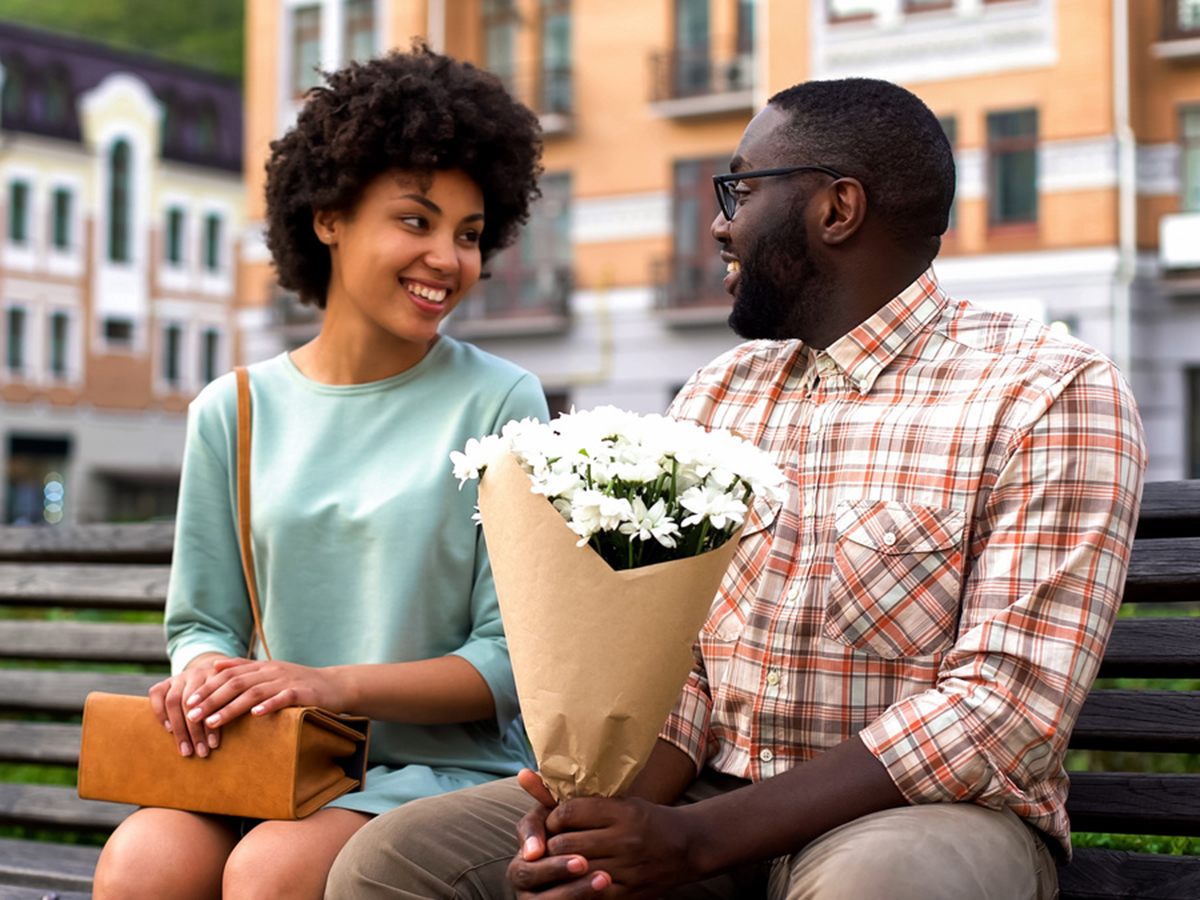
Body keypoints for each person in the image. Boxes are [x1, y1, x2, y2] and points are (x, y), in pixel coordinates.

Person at [325, 78, 1146, 900]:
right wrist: (599, 824)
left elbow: (1001, 713)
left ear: (836, 210)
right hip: (705, 796)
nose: (719, 223)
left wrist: (698, 840)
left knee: (877, 886)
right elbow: (681, 667)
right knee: (392, 861)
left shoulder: (1047, 391)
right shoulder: (720, 393)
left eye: (740, 190)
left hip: (924, 815)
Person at [92, 45, 547, 900]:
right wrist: (204, 677)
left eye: (470, 234)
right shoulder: (233, 409)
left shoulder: (503, 400)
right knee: (142, 862)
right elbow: (202, 621)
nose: (448, 259)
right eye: (415, 221)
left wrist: (325, 685)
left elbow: (510, 665)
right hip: (269, 762)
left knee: (272, 872)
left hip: (437, 772)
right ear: (328, 216)